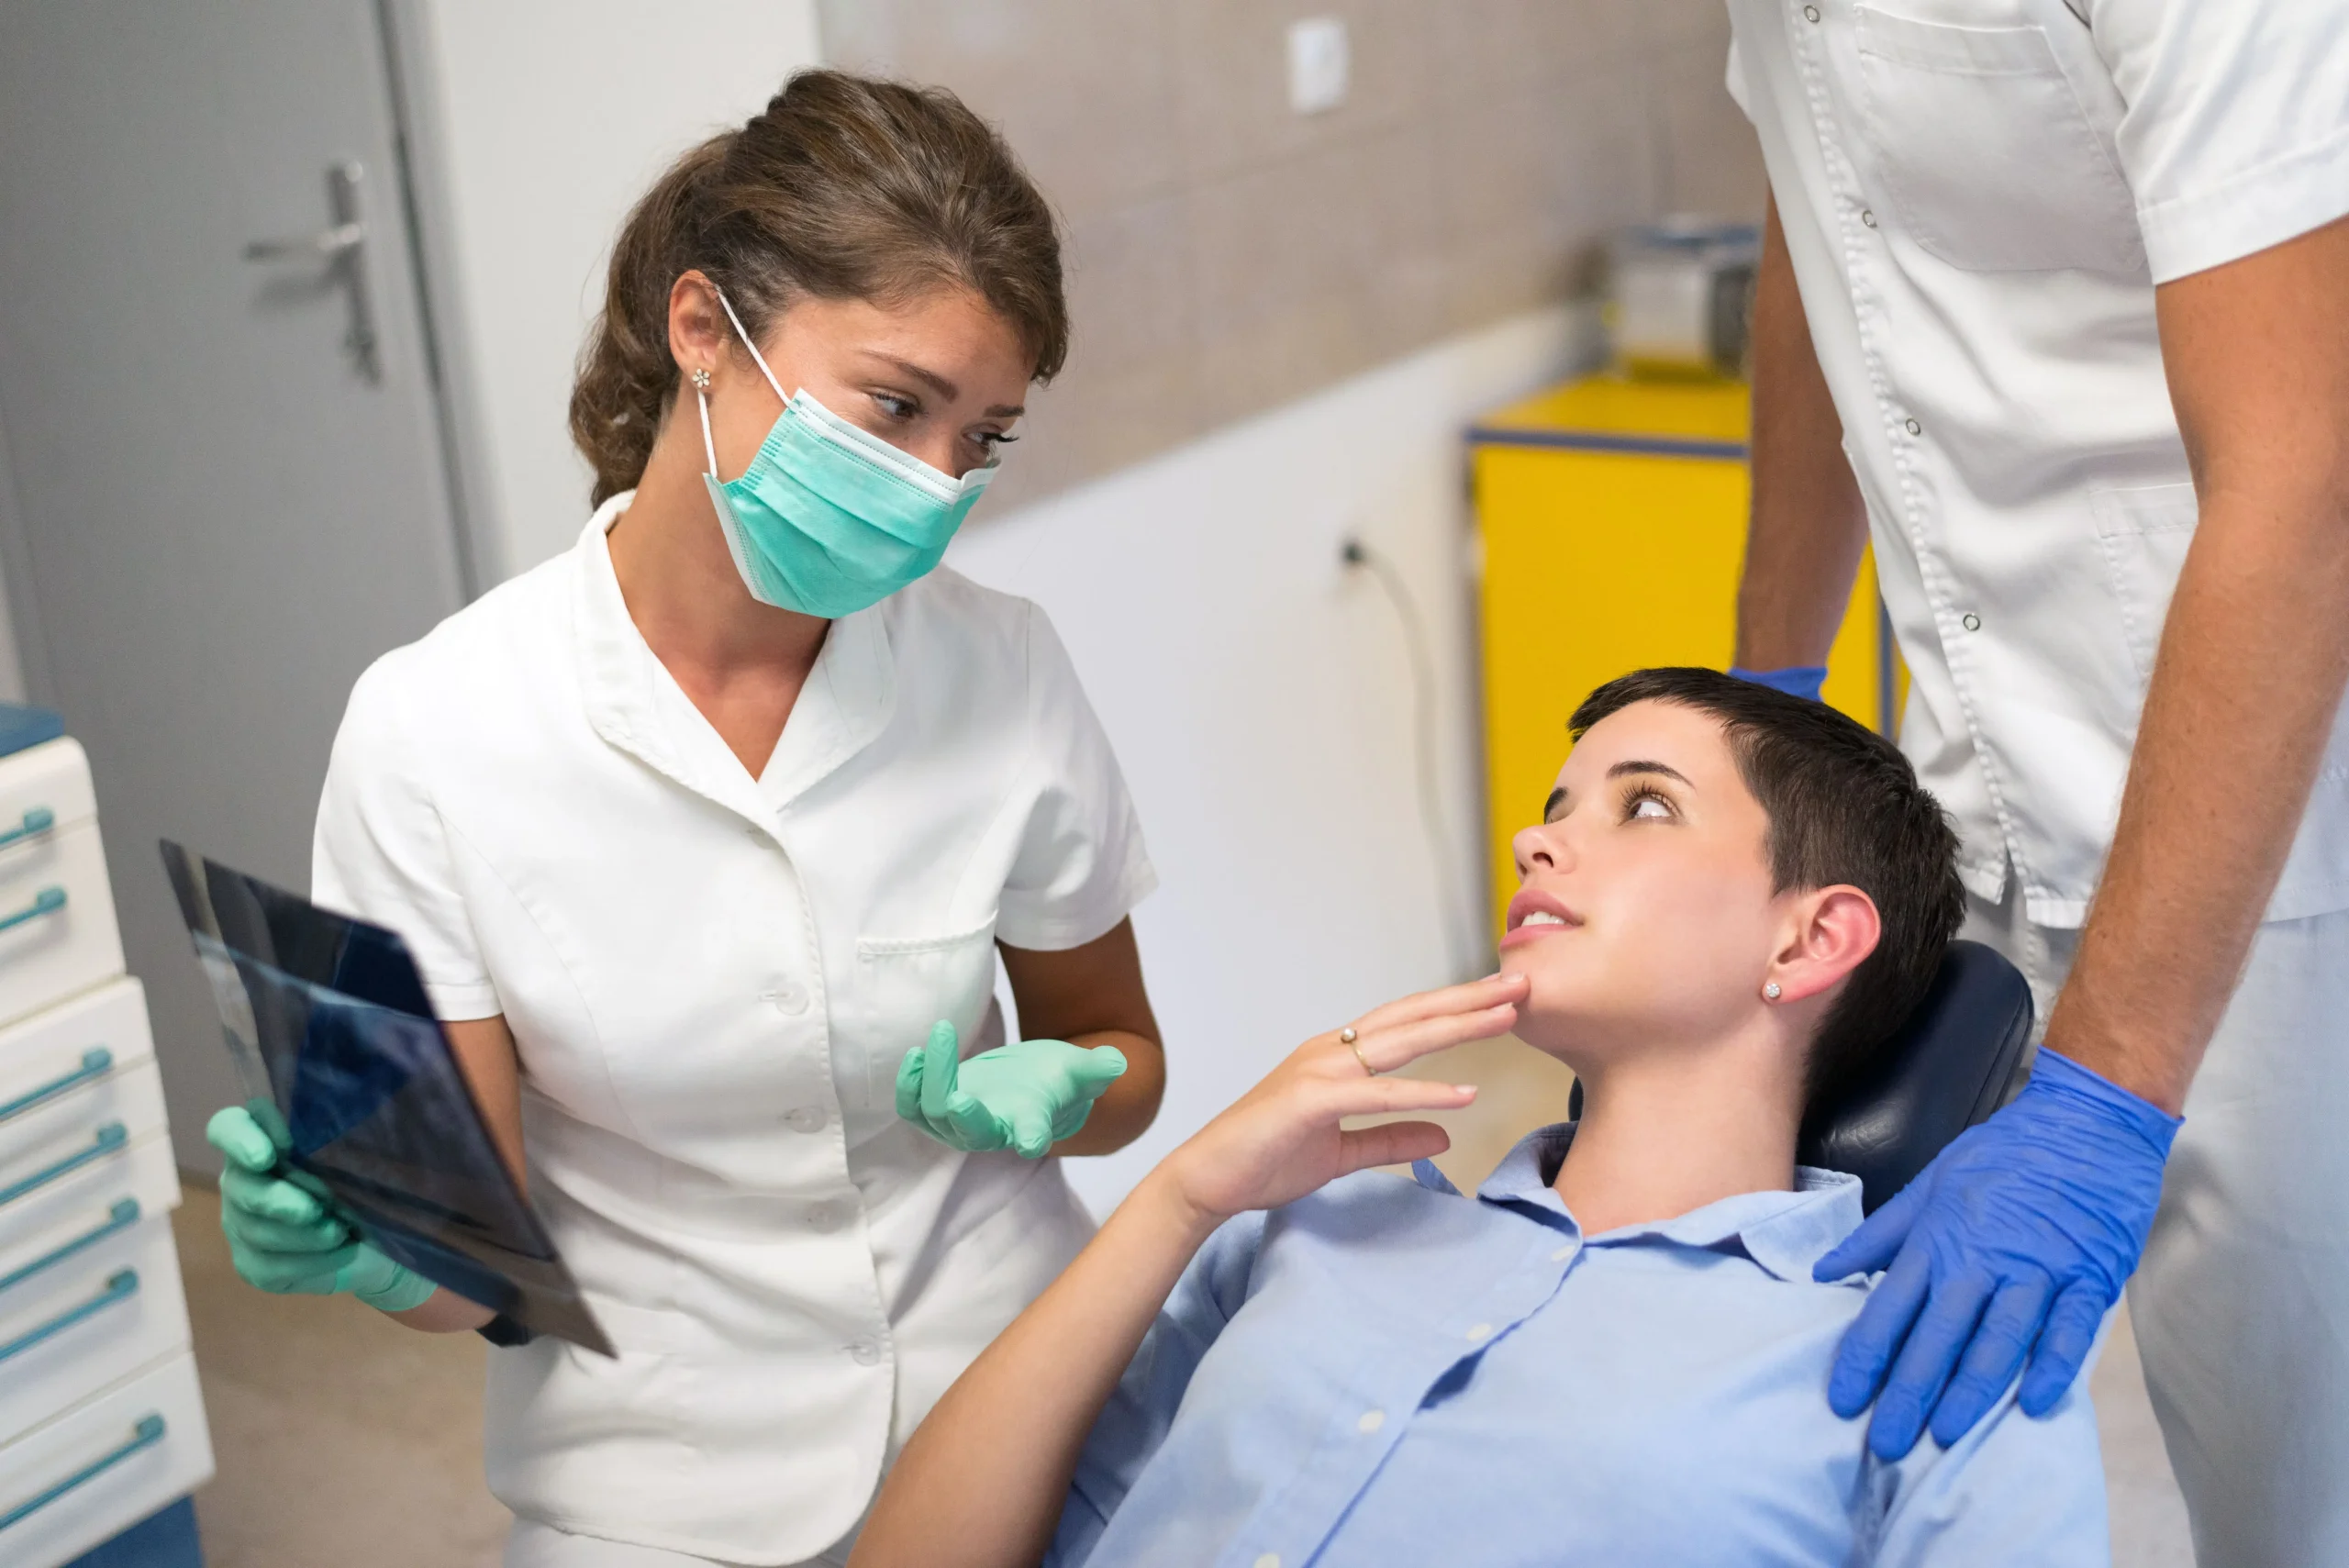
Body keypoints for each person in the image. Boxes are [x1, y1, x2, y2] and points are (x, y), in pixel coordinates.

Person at [198, 72, 1163, 1568]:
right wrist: (380, 1254)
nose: (930, 491)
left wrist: (1071, 1089)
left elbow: (1128, 1063)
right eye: (895, 406)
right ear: (703, 332)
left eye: (979, 441)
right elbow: (469, 1265)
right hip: (662, 1471)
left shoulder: (1002, 665)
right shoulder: (439, 729)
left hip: (1019, 1376)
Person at [847, 668, 2110, 1568]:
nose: (1533, 839)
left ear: (1813, 935)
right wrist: (1180, 1196)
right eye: (1555, 806)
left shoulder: (1938, 1350)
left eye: (1645, 804)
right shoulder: (1310, 1227)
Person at [1718, 6, 2349, 1560]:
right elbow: (1830, 239)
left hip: (2274, 833)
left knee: (2299, 1497)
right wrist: (1764, 715)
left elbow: (2305, 484)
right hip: (1970, 778)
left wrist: (2103, 1099)